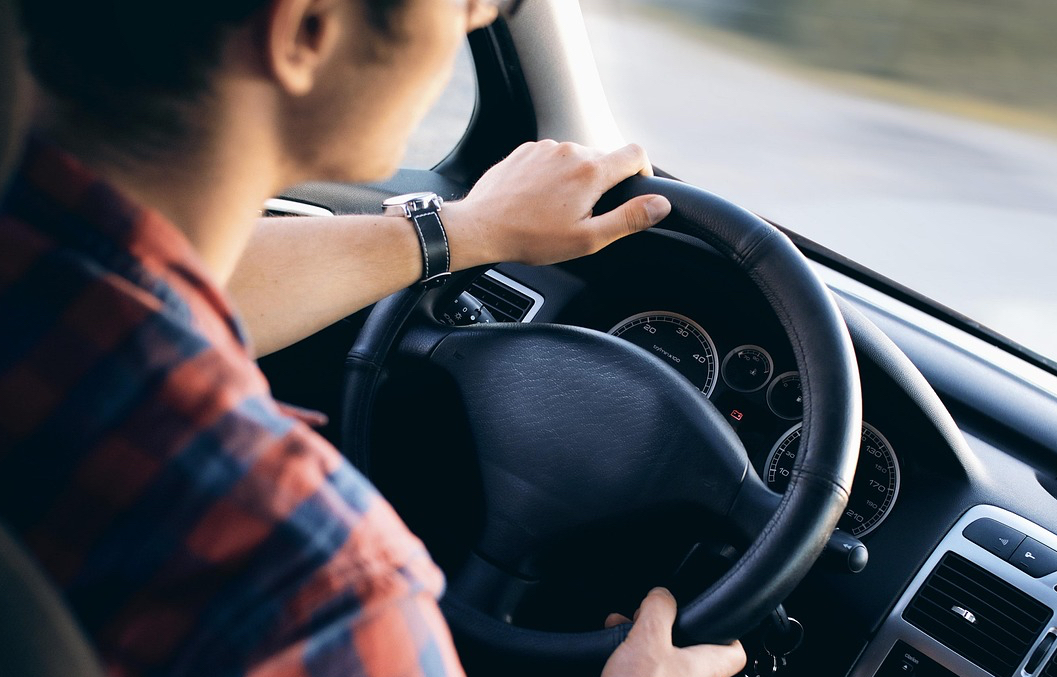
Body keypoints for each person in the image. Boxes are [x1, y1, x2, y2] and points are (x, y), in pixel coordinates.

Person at [0, 0, 748, 676]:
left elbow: (155, 285)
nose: (483, 17)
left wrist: (467, 229)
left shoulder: (47, 286)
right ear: (306, 32)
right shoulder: (319, 598)